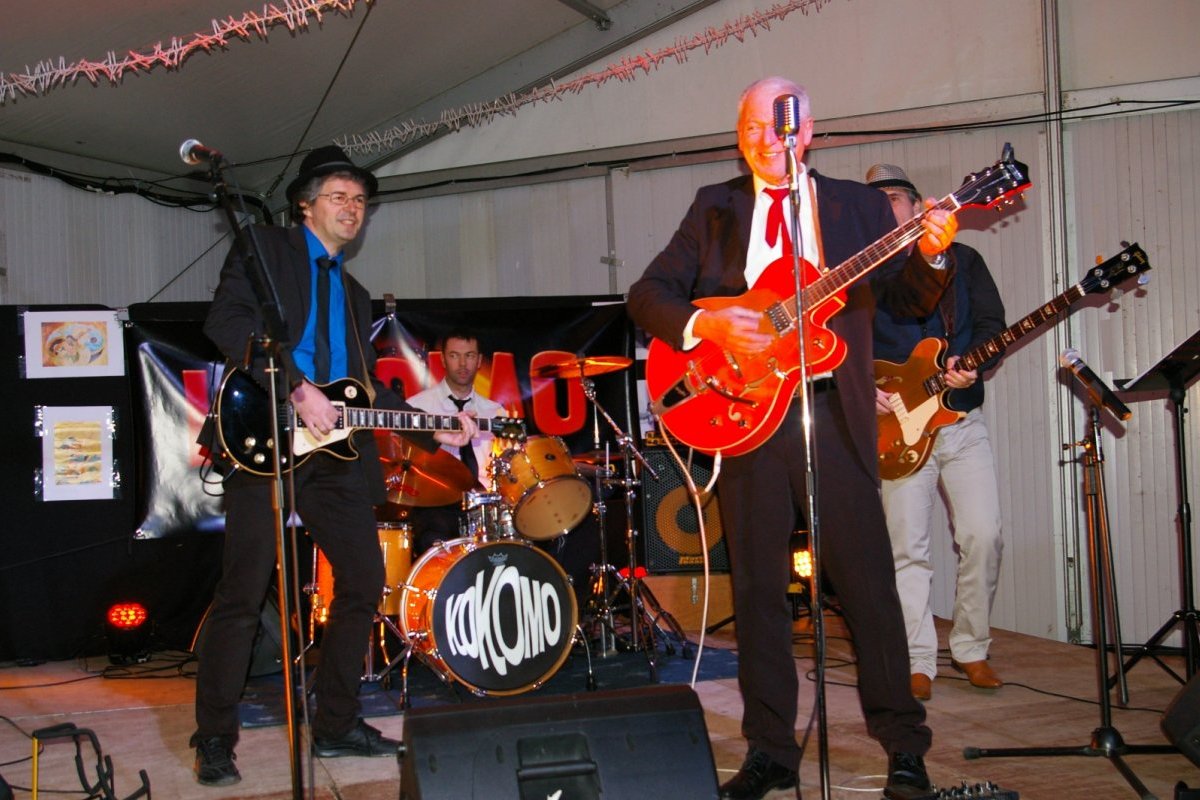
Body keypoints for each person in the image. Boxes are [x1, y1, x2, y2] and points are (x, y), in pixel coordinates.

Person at [627, 77, 959, 800]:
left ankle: (904, 742)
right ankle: (771, 751)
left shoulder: (859, 206)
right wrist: (709, 325)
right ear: (739, 131)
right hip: (743, 412)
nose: (766, 141)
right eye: (753, 127)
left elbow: (902, 301)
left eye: (781, 129)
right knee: (758, 593)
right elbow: (648, 294)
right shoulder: (716, 207)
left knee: (868, 583)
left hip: (830, 412)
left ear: (807, 132)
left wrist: (931, 256)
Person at [191, 146, 477, 786]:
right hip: (266, 437)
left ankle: (339, 720)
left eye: (360, 201)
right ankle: (214, 736)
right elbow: (226, 320)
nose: (353, 209)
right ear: (305, 204)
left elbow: (366, 389)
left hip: (336, 455)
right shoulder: (267, 249)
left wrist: (439, 426)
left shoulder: (354, 293)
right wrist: (295, 386)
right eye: (339, 197)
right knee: (242, 592)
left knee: (363, 580)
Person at [868, 163, 1006, 702]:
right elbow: (842, 341)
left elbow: (993, 324)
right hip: (896, 427)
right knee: (908, 549)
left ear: (919, 203)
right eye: (874, 201)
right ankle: (917, 658)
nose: (885, 208)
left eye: (894, 198)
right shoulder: (865, 273)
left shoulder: (965, 261)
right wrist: (864, 384)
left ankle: (971, 648)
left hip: (960, 419)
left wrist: (977, 364)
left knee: (984, 534)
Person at [405, 329, 508, 555]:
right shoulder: (416, 408)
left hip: (484, 507)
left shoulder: (496, 412)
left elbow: (509, 470)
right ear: (442, 359)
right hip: (434, 506)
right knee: (434, 534)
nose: (462, 363)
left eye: (469, 356)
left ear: (479, 361)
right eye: (454, 355)